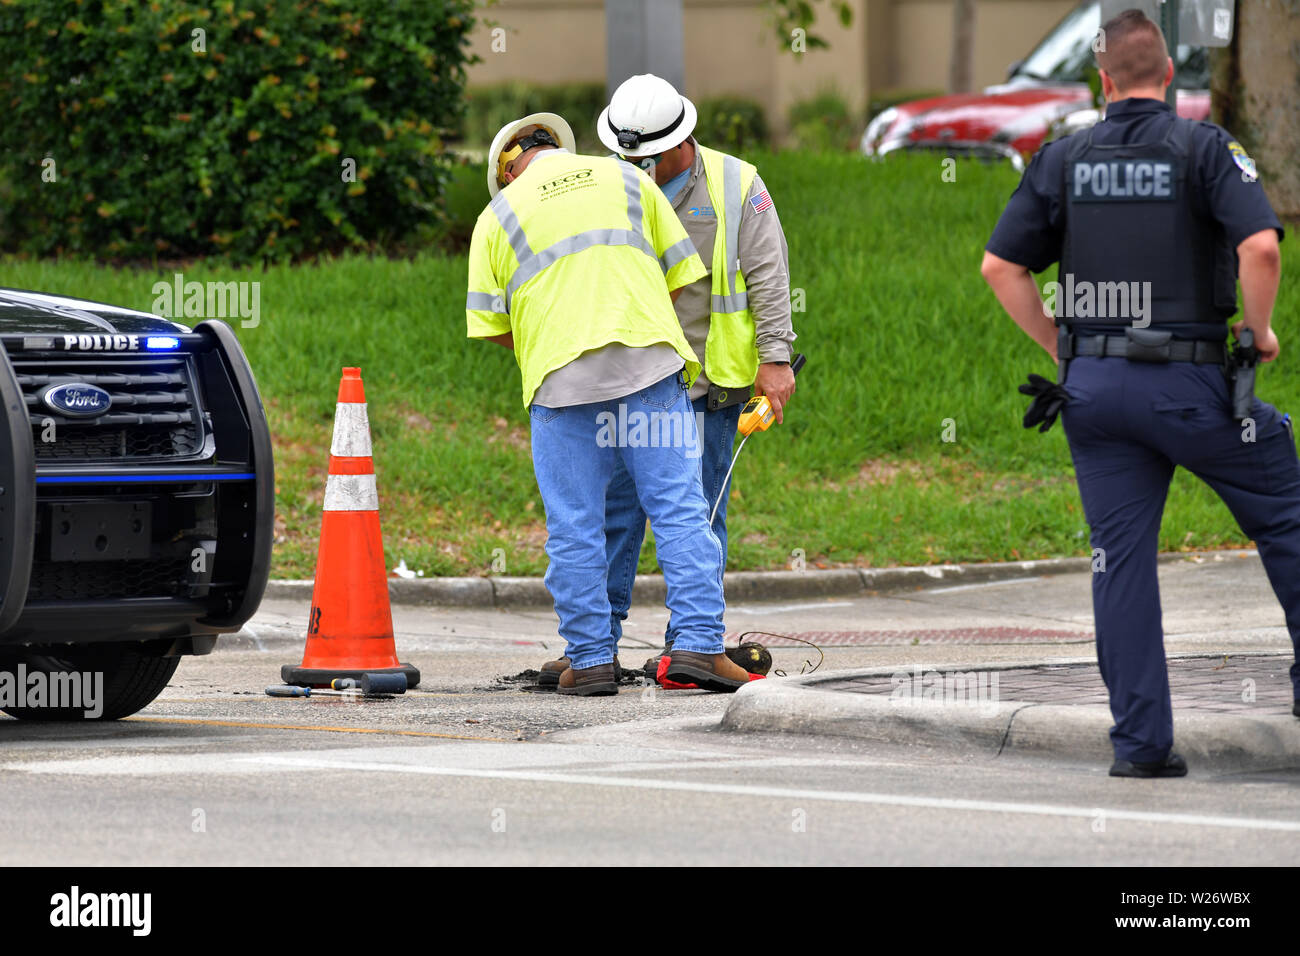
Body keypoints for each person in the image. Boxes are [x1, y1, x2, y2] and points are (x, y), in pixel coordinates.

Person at [981, 9, 1292, 777]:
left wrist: (1064, 348)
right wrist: (1258, 334)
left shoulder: (1063, 158)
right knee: (1286, 515)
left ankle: (1141, 747)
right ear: (1170, 80)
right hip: (1192, 386)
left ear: (1105, 79)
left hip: (1094, 394)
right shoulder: (1204, 148)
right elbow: (1259, 245)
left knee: (1118, 563)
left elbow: (1000, 267)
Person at [466, 112, 755, 696]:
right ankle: (698, 646)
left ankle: (592, 660)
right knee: (679, 507)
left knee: (575, 524)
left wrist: (562, 340)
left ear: (508, 169)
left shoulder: (496, 216)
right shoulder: (627, 180)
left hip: (562, 379)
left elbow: (495, 326)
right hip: (647, 362)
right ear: (558, 148)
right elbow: (678, 277)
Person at [533, 74, 798, 688]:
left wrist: (775, 358)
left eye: (645, 156)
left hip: (706, 387)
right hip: (628, 379)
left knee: (696, 513)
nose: (635, 166)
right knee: (614, 514)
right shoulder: (609, 184)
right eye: (626, 155)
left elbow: (768, 275)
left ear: (683, 140)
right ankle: (595, 646)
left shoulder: (737, 185)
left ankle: (691, 647)